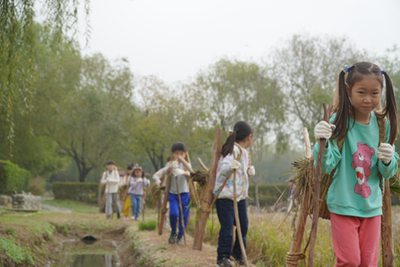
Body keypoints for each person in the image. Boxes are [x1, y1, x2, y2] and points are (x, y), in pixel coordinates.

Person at [313, 62, 398, 266]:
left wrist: (389, 159)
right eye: (361, 92)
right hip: (343, 204)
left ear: (381, 92)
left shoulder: (382, 125)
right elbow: (326, 165)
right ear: (348, 90)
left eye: (374, 93)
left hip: (372, 207)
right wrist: (321, 144)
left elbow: (386, 173)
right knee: (350, 261)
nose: (368, 99)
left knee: (368, 263)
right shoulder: (338, 121)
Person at [213, 121, 255, 267]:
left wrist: (248, 172)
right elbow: (223, 167)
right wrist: (230, 167)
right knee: (227, 227)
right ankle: (222, 258)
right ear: (249, 137)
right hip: (226, 196)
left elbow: (240, 174)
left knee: (243, 226)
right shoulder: (233, 149)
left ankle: (236, 253)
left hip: (239, 197)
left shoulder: (244, 152)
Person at [164, 143, 191, 245]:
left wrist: (183, 172)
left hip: (185, 193)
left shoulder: (186, 164)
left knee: (184, 216)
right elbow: (166, 172)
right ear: (173, 154)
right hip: (173, 193)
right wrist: (171, 167)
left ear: (185, 154)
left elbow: (191, 173)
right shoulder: (170, 163)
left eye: (181, 153)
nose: (179, 155)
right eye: (177, 153)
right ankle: (173, 232)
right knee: (173, 213)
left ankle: (180, 235)